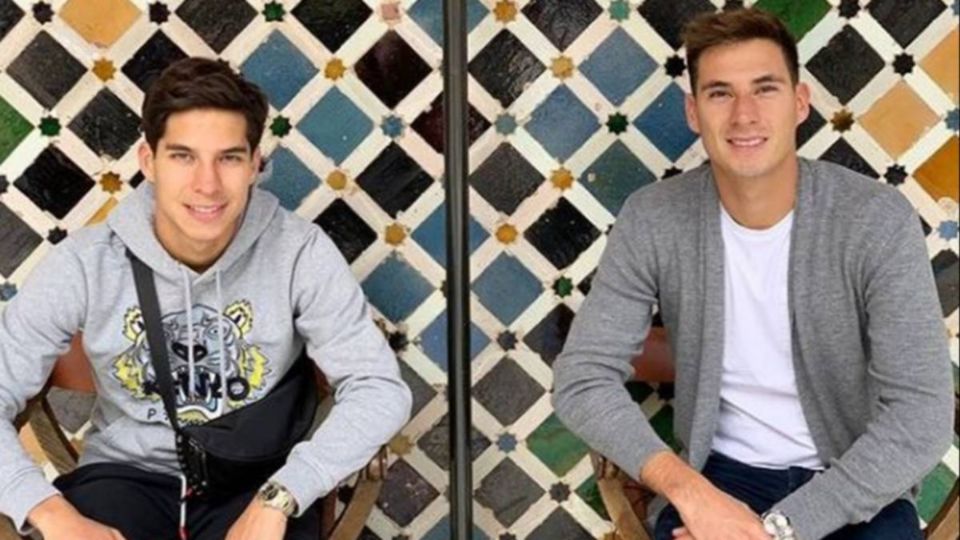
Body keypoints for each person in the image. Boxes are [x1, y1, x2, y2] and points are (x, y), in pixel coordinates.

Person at [553, 8, 953, 540]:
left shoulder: (874, 219)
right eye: (720, 93)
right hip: (719, 481)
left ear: (800, 103)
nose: (744, 115)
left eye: (765, 89)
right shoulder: (653, 217)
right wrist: (689, 492)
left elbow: (923, 413)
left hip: (855, 484)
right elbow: (581, 378)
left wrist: (778, 530)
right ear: (693, 112)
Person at [0, 57, 412, 540]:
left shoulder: (299, 252)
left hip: (257, 479)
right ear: (148, 161)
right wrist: (50, 512)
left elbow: (379, 388)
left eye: (229, 158)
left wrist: (285, 494)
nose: (207, 184)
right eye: (183, 156)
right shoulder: (86, 262)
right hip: (123, 478)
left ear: (255, 164)